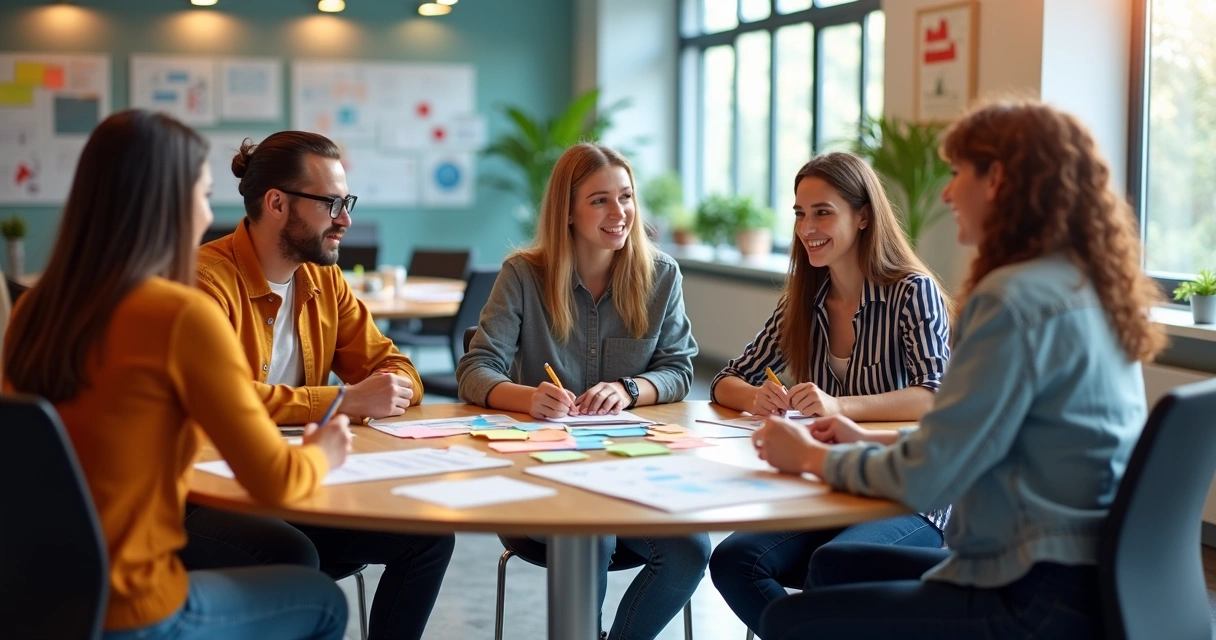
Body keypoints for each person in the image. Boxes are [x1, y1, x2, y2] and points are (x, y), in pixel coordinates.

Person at [752, 99, 1167, 640]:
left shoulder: (1010, 300)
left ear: (995, 179)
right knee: (836, 568)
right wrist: (865, 444)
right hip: (1091, 577)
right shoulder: (1087, 287)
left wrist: (808, 455)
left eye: (956, 173)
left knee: (789, 620)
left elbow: (930, 478)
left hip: (1027, 591)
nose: (946, 193)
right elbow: (978, 440)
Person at [2, 109, 351, 639]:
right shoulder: (177, 316)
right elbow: (275, 480)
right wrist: (322, 452)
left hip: (35, 598)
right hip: (136, 607)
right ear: (168, 201)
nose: (208, 211)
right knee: (324, 602)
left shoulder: (34, 309)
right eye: (205, 193)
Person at [183, 131, 454, 640]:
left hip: (295, 484)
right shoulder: (205, 282)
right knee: (291, 553)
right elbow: (225, 402)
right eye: (332, 203)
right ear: (278, 203)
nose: (345, 219)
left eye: (346, 202)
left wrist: (392, 383)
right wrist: (343, 400)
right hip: (207, 497)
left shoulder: (322, 280)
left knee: (428, 535)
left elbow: (396, 366)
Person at [456, 142, 707, 640]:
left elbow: (679, 369)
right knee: (589, 534)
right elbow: (476, 368)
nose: (620, 214)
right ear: (567, 211)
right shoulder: (523, 276)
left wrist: (630, 388)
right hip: (544, 474)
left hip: (635, 472)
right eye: (600, 201)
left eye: (627, 197)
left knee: (691, 549)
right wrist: (526, 396)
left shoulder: (661, 276)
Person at [707, 151, 953, 633]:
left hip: (907, 494)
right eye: (800, 213)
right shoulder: (803, 296)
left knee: (834, 567)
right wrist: (757, 398)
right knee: (733, 559)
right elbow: (726, 380)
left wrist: (841, 405)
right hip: (826, 486)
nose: (807, 227)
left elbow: (934, 396)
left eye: (823, 212)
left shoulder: (911, 291)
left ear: (863, 216)